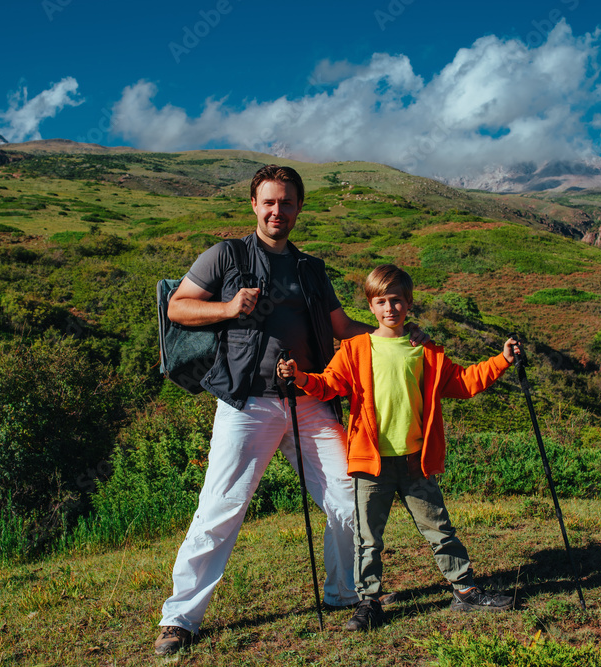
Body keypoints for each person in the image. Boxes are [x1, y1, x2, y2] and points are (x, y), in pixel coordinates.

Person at [154, 166, 425, 657]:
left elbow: (342, 326)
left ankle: (346, 595)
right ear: (254, 205)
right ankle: (179, 620)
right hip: (247, 401)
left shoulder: (310, 269)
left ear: (300, 208)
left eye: (288, 203)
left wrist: (396, 333)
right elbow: (178, 308)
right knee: (221, 508)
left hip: (310, 400)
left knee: (348, 499)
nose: (278, 211)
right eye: (269, 202)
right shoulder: (225, 255)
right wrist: (229, 308)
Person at [277, 263, 519, 632]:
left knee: (439, 529)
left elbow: (465, 382)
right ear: (370, 307)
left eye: (397, 301)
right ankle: (368, 603)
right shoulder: (356, 348)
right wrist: (299, 379)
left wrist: (501, 360)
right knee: (367, 539)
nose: (390, 308)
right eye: (381, 301)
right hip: (370, 463)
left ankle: (466, 590)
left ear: (408, 303)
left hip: (415, 461)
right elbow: (328, 386)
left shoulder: (426, 352)